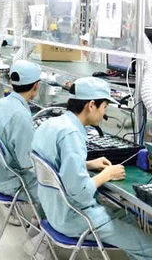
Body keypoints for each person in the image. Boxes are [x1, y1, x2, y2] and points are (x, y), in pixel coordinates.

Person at [33, 78, 152, 259]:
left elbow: (55, 166)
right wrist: (106, 174)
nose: (104, 114)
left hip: (52, 209)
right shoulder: (72, 134)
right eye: (104, 107)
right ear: (91, 105)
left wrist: (87, 164)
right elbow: (80, 192)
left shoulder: (52, 124)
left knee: (129, 218)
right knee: (149, 247)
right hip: (76, 217)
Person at [0, 60, 42, 203]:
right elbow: (27, 164)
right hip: (14, 183)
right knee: (68, 191)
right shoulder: (21, 116)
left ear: (12, 83)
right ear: (36, 85)